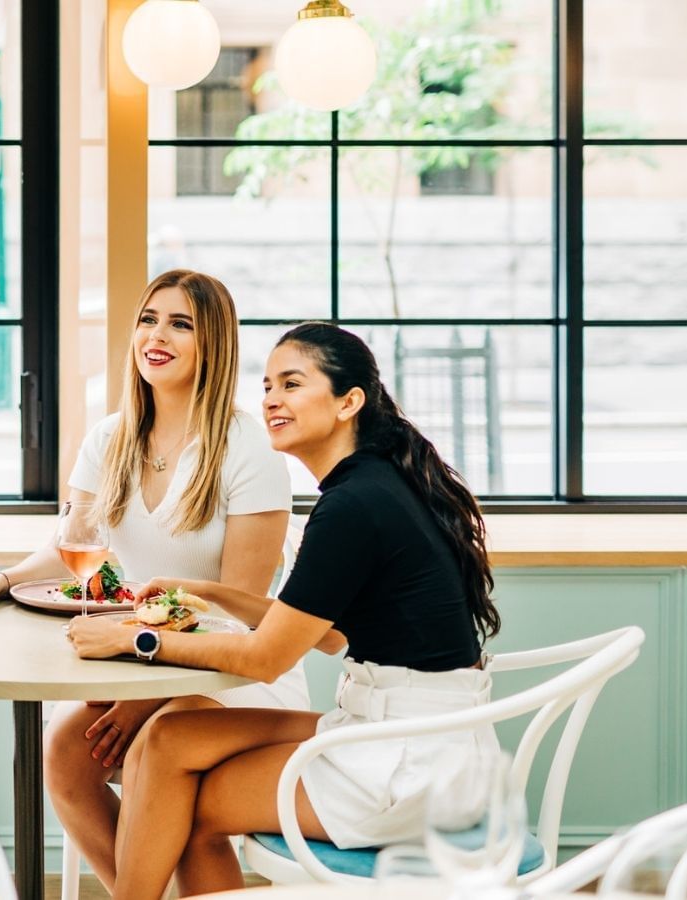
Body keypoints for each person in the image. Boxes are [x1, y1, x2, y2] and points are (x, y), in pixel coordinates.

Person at [67, 322, 503, 898]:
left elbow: (266, 657)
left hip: (409, 761)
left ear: (350, 402)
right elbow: (327, 636)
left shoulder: (352, 506)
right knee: (172, 737)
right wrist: (209, 592)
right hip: (407, 729)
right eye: (268, 385)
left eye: (292, 384)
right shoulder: (379, 484)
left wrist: (132, 640)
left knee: (191, 806)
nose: (272, 398)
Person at [0, 269, 311, 890]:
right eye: (148, 319)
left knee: (150, 758)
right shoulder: (110, 436)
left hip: (224, 674)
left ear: (212, 344)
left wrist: (142, 701)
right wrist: (1, 581)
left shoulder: (248, 446)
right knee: (62, 754)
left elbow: (240, 611)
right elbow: (72, 548)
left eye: (180, 324)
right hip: (129, 662)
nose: (155, 336)